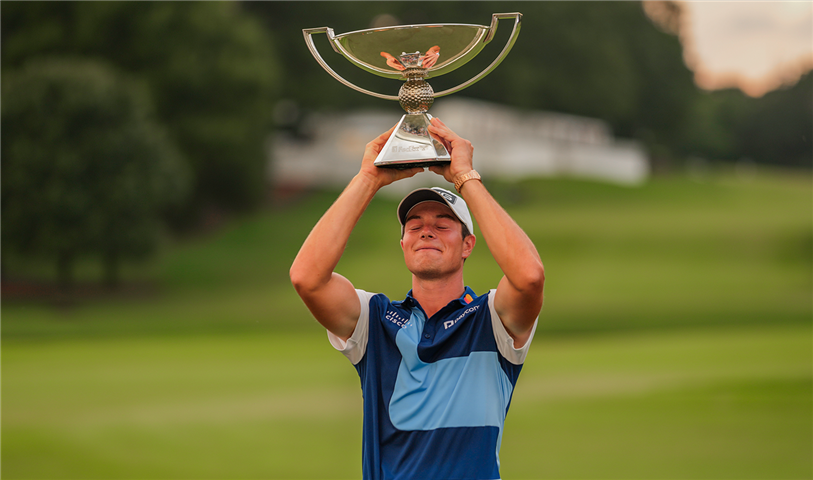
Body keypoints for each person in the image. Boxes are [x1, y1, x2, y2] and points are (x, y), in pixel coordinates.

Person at [289, 118, 544, 480]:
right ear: (404, 244)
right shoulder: (374, 321)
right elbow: (306, 278)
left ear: (467, 244)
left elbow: (530, 276)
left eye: (443, 224)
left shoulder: (492, 319)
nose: (427, 230)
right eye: (415, 225)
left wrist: (465, 177)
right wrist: (369, 178)